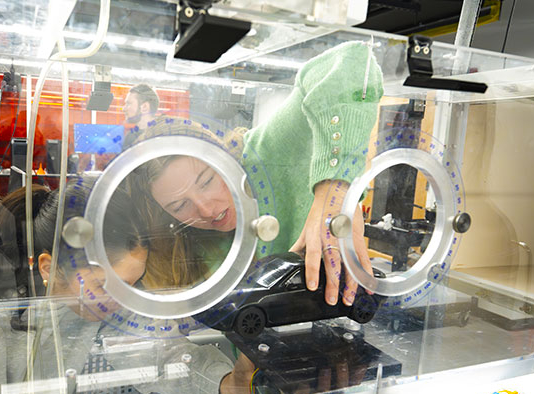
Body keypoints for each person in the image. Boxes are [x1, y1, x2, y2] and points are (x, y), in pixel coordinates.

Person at [0, 178, 254, 394]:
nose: (121, 303)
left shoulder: (98, 304)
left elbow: (158, 355)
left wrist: (228, 383)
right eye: (105, 286)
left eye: (131, 285)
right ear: (48, 267)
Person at [131, 41, 382, 307]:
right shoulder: (184, 246)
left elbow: (351, 60)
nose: (205, 210)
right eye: (180, 205)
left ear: (223, 156)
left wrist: (336, 189)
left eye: (206, 181)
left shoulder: (265, 151)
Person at [122, 84, 159, 151]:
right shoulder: (130, 137)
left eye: (129, 103)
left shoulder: (163, 136)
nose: (124, 109)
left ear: (144, 107)